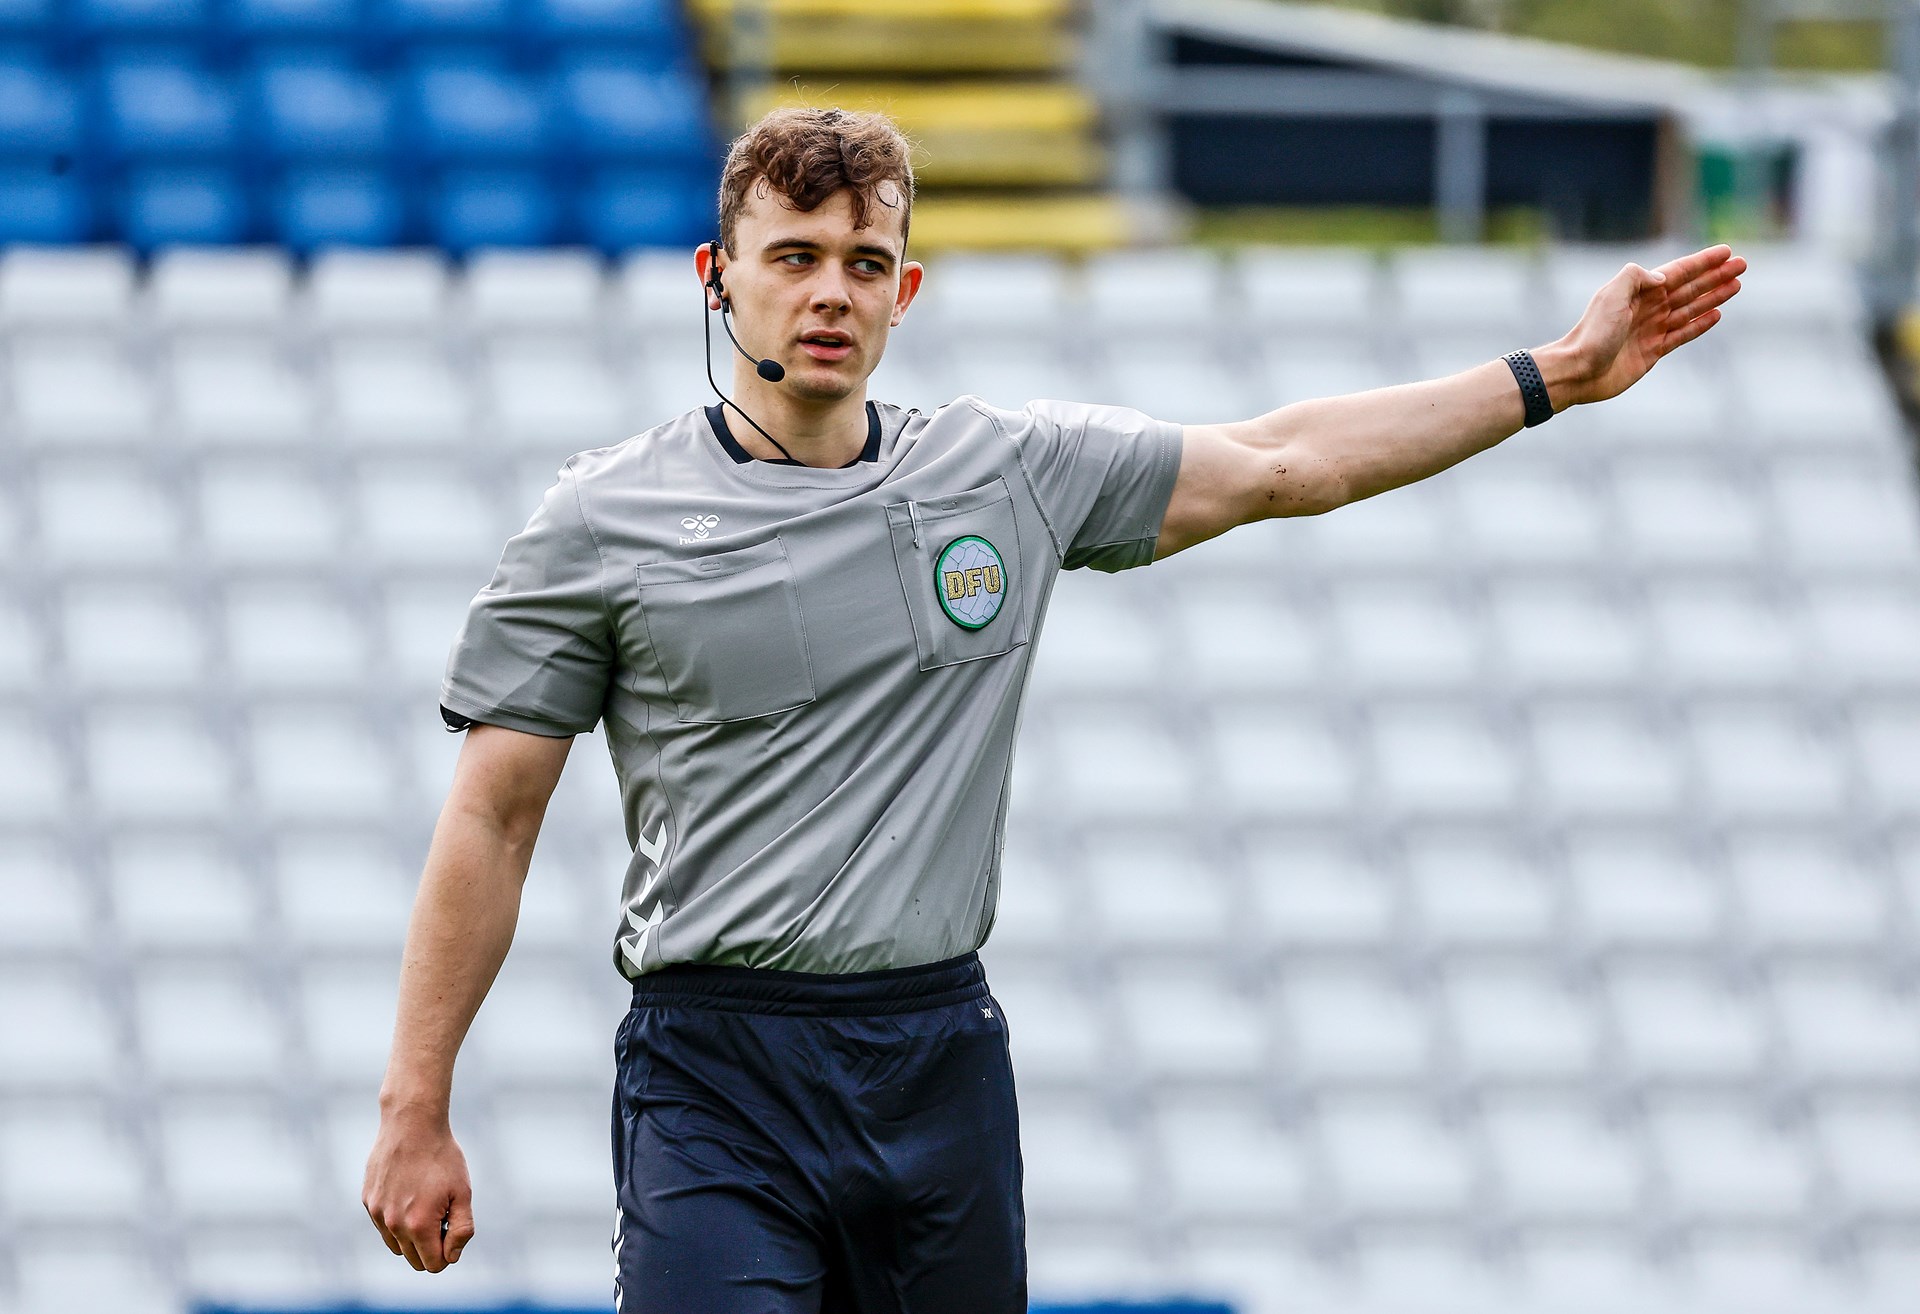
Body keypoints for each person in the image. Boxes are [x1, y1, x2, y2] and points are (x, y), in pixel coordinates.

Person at [361, 105, 1744, 1312]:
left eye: (863, 263)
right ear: (717, 278)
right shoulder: (601, 520)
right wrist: (415, 1107)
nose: (830, 293)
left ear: (907, 290)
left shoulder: (1004, 472)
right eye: (793, 257)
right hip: (720, 1071)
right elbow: (493, 818)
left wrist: (1556, 375)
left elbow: (1285, 460)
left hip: (936, 1061)